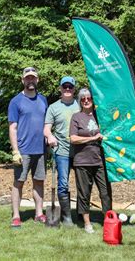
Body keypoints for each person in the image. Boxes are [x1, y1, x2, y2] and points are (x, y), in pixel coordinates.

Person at [8, 67, 48, 228]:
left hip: (40, 150)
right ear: (22, 80)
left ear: (37, 80)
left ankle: (39, 213)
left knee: (39, 182)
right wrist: (15, 150)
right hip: (23, 151)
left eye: (33, 78)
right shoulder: (16, 101)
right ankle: (16, 216)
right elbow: (12, 127)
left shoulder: (43, 100)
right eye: (27, 78)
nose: (30, 81)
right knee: (19, 182)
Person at [69, 88, 112, 234]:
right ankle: (87, 223)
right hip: (82, 161)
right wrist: (92, 138)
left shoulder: (100, 116)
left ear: (93, 100)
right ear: (80, 102)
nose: (86, 101)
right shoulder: (76, 117)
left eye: (89, 98)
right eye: (83, 99)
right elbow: (73, 138)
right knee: (84, 192)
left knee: (105, 192)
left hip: (101, 160)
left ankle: (108, 220)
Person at [44, 76, 80, 226]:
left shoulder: (80, 105)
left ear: (73, 89)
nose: (67, 89)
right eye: (64, 87)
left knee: (82, 184)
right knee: (63, 184)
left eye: (70, 87)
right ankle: (66, 217)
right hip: (62, 151)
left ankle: (81, 214)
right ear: (60, 88)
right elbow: (46, 129)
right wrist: (50, 136)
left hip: (80, 151)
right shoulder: (53, 107)